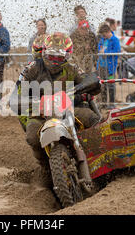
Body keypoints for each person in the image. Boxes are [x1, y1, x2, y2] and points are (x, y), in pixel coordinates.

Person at [12, 32, 101, 184]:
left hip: (69, 108)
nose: (54, 61)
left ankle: (100, 154)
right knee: (32, 137)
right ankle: (45, 167)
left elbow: (91, 80)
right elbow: (15, 99)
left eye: (59, 57)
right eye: (51, 56)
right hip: (40, 112)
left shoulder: (72, 68)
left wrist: (82, 88)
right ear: (44, 52)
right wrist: (32, 103)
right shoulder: (32, 68)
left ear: (67, 56)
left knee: (93, 119)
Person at [97, 23, 121, 108]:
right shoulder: (102, 39)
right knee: (102, 85)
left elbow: (117, 51)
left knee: (111, 85)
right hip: (101, 66)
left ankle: (111, 104)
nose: (103, 36)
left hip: (110, 67)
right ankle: (103, 104)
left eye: (104, 35)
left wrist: (105, 52)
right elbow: (99, 48)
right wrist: (100, 50)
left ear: (108, 32)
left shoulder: (115, 40)